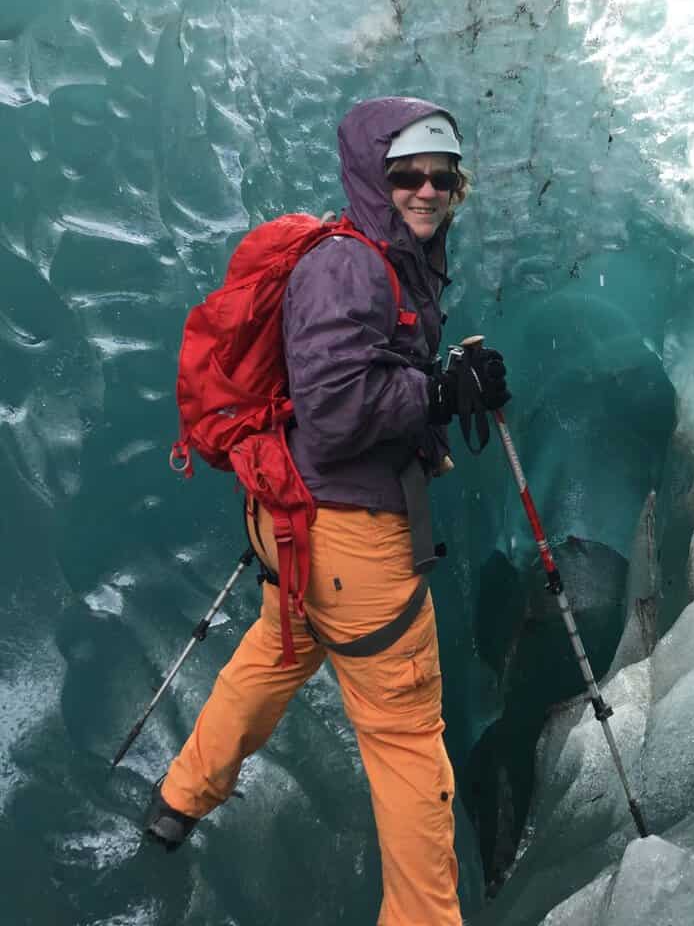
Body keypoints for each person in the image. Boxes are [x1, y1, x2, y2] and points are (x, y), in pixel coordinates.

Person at [144, 96, 510, 926]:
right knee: (408, 740)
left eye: (441, 175)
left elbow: (356, 373)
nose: (426, 190)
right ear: (373, 178)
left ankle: (178, 802)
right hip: (352, 543)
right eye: (407, 174)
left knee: (272, 656)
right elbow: (339, 408)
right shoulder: (348, 265)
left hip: (298, 526)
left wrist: (434, 380)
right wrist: (440, 392)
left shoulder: (388, 261)